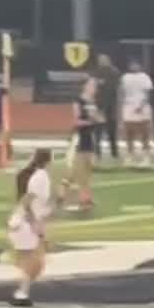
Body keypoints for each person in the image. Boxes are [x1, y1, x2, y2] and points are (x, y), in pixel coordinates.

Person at [3, 150, 54, 308]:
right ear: (49, 161)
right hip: (24, 224)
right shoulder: (41, 177)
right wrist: (34, 223)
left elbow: (31, 202)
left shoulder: (36, 176)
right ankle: (21, 293)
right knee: (34, 263)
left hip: (21, 223)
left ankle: (21, 292)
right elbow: (27, 200)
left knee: (31, 262)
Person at [62, 78, 101, 211]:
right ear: (84, 86)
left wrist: (97, 119)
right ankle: (62, 194)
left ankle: (86, 198)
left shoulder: (93, 102)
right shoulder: (78, 101)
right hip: (79, 138)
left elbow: (97, 118)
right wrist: (91, 121)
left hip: (90, 138)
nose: (94, 88)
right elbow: (76, 121)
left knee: (88, 170)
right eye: (91, 85)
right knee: (76, 171)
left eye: (95, 86)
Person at [118, 58, 154, 167]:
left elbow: (149, 93)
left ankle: (146, 157)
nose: (134, 66)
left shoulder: (145, 77)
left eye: (136, 64)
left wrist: (142, 105)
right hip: (129, 107)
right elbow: (122, 92)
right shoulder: (125, 77)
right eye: (132, 65)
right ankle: (130, 156)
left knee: (145, 133)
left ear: (140, 66)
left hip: (143, 107)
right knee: (129, 133)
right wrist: (121, 106)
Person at [92, 53, 120, 162]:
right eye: (100, 60)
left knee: (112, 132)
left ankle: (114, 154)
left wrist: (116, 108)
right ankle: (97, 154)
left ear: (109, 60)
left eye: (104, 60)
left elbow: (116, 90)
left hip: (111, 107)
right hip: (99, 107)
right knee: (97, 132)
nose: (102, 61)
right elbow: (93, 88)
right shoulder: (96, 72)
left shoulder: (114, 72)